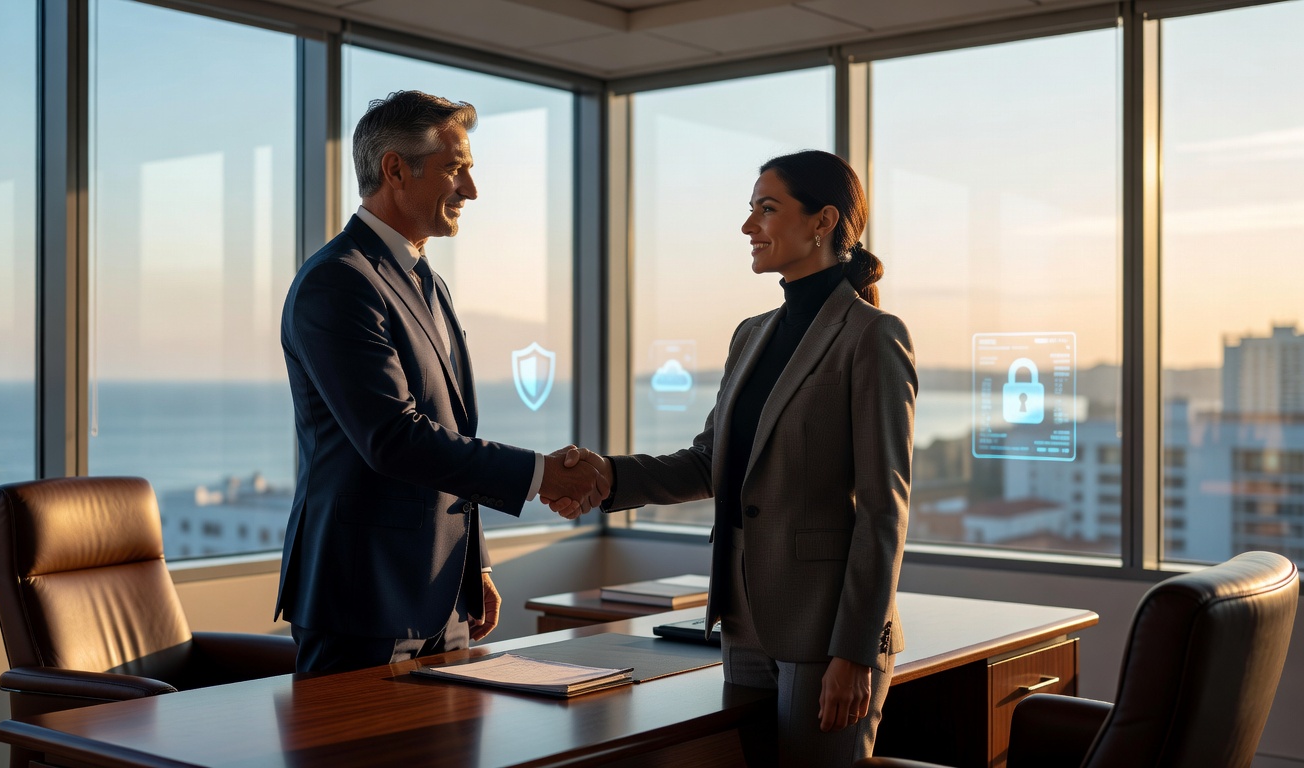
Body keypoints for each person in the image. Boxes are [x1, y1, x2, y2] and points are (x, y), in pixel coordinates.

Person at [569, 150, 916, 766]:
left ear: (822, 221)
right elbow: (711, 462)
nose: (748, 225)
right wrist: (610, 474)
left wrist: (855, 650)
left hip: (824, 631)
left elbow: (883, 512)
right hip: (742, 620)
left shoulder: (872, 337)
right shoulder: (750, 334)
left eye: (767, 208)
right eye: (750, 208)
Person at [276, 90, 607, 674]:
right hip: (364, 597)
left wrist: (472, 562)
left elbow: (450, 431)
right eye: (456, 170)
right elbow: (393, 439)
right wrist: (540, 473)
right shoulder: (339, 283)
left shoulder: (427, 281)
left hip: (441, 596)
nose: (471, 190)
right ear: (395, 169)